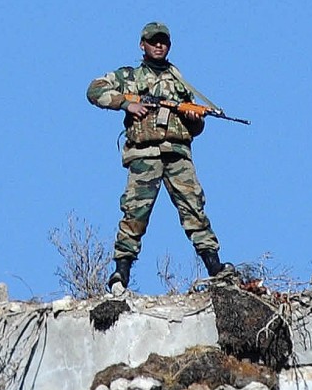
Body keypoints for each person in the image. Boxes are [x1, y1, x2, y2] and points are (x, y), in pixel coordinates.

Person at [87, 21, 232, 292]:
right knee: (135, 212)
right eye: (153, 41)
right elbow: (94, 90)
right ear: (143, 45)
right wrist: (127, 103)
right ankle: (121, 272)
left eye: (163, 41)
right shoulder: (129, 77)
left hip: (177, 154)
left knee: (194, 209)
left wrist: (194, 119)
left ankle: (214, 266)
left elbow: (196, 127)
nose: (158, 45)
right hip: (145, 154)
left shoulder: (179, 82)